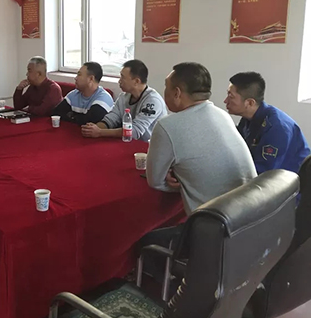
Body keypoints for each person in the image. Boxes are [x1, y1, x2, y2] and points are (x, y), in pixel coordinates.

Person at [139, 63, 257, 276]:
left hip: (216, 231)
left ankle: (170, 287)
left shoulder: (167, 126)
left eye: (166, 87)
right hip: (250, 223)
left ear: (177, 93)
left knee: (145, 242)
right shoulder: (222, 115)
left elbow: (154, 181)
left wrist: (180, 183)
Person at [225, 72, 310, 174]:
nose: (225, 101)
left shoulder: (277, 127)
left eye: (231, 96)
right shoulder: (248, 118)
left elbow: (263, 173)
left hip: (293, 181)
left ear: (250, 103)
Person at [81, 60, 165, 141]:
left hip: (149, 146)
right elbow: (110, 119)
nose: (119, 81)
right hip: (128, 143)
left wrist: (100, 132)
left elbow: (134, 132)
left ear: (136, 81)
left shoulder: (153, 101)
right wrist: (93, 129)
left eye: (123, 77)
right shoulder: (123, 97)